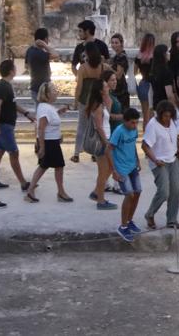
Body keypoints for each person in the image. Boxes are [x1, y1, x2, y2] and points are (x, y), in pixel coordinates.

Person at [26, 82, 72, 203]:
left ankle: (31, 191)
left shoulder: (46, 107)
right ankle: (60, 192)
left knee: (46, 166)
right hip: (48, 142)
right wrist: (42, 147)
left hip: (51, 141)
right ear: (46, 94)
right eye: (53, 90)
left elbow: (48, 122)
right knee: (56, 166)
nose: (56, 92)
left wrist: (59, 112)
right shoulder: (45, 108)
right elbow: (41, 128)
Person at [0, 59, 31, 191]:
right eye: (14, 68)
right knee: (14, 152)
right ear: (11, 71)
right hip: (4, 125)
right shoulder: (2, 86)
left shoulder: (6, 85)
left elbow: (12, 104)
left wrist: (26, 113)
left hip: (5, 125)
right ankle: (23, 182)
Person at [142, 100, 179, 229]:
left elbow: (175, 136)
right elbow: (145, 146)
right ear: (160, 114)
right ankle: (150, 214)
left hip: (173, 160)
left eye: (170, 116)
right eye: (165, 116)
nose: (168, 119)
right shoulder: (152, 125)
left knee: (176, 190)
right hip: (159, 162)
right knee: (164, 191)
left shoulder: (172, 122)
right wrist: (155, 160)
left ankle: (172, 220)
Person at [82, 79, 118, 211]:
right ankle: (100, 200)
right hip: (102, 142)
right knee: (103, 171)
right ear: (100, 91)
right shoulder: (97, 107)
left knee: (108, 169)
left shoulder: (101, 104)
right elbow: (99, 127)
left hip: (106, 139)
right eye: (105, 86)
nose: (108, 87)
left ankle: (97, 192)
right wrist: (106, 142)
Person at [109, 107, 144, 241]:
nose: (135, 125)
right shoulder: (119, 131)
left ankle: (129, 221)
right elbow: (108, 150)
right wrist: (114, 170)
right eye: (132, 123)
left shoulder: (134, 130)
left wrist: (137, 160)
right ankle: (123, 226)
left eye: (136, 122)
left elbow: (133, 145)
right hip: (121, 169)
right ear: (125, 121)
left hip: (132, 166)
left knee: (138, 192)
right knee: (129, 195)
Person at [70, 46, 105, 163]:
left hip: (85, 100)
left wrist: (75, 101)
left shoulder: (83, 68)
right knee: (96, 126)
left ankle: (76, 153)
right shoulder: (101, 67)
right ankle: (94, 152)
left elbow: (79, 86)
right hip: (96, 101)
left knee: (81, 126)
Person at [23, 28, 59, 101]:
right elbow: (56, 55)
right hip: (42, 90)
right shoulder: (39, 53)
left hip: (34, 86)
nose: (48, 40)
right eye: (47, 38)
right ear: (45, 39)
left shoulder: (30, 50)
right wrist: (45, 45)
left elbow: (26, 66)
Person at [134, 32, 156, 123]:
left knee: (145, 114)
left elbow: (134, 72)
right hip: (153, 85)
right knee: (152, 113)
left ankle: (145, 131)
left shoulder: (139, 56)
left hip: (143, 84)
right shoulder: (155, 56)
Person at [109, 33, 131, 110]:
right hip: (117, 89)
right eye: (112, 42)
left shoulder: (121, 57)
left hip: (120, 90)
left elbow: (118, 75)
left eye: (116, 43)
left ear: (121, 43)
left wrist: (108, 67)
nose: (114, 45)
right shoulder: (117, 56)